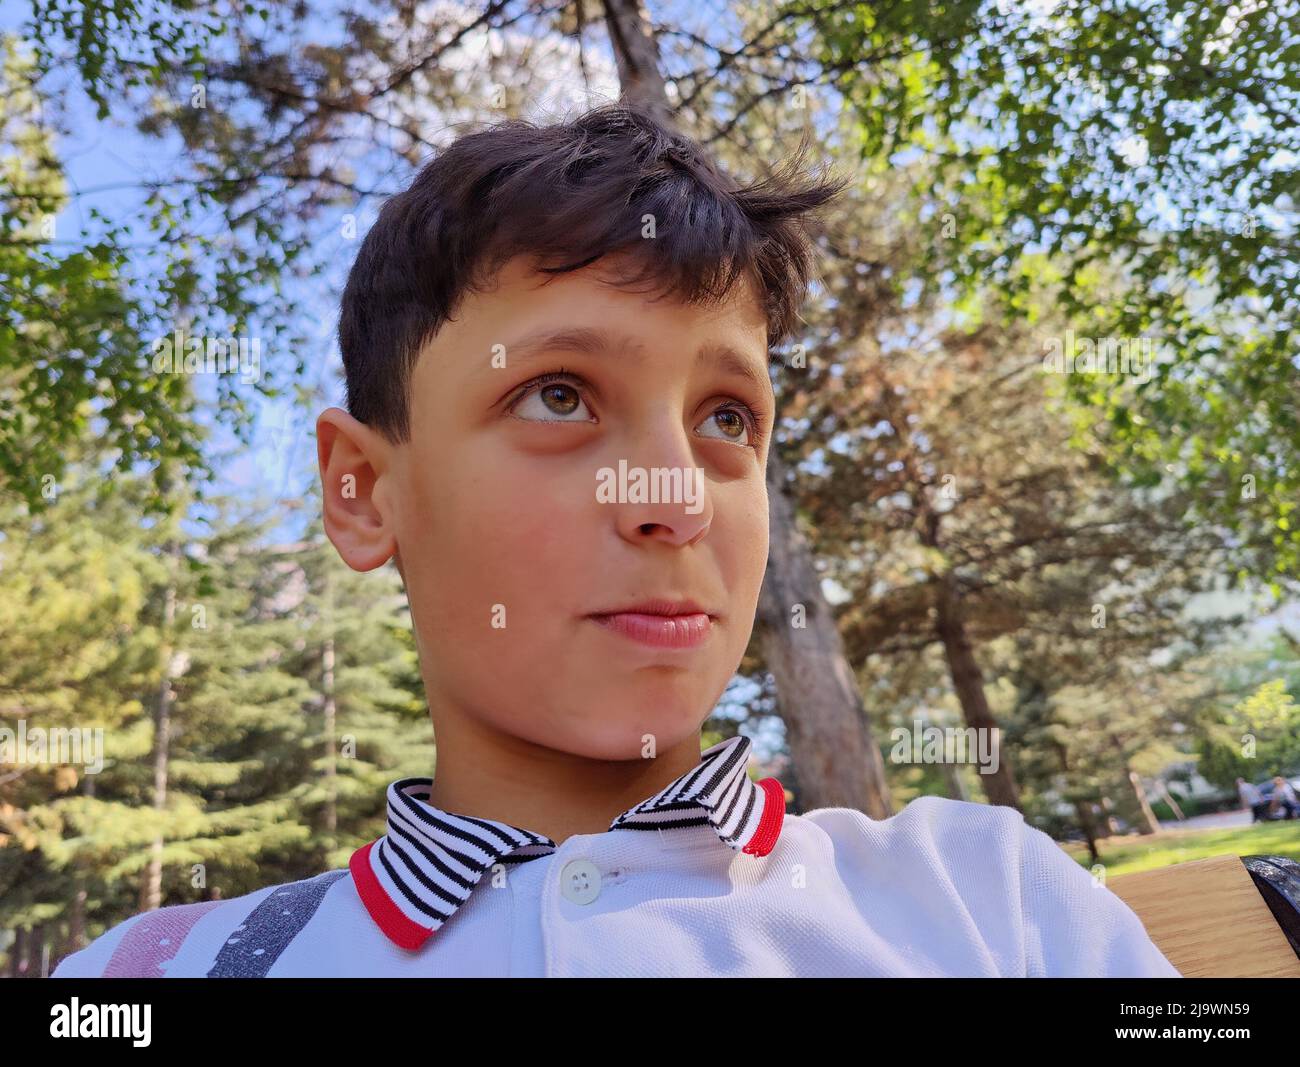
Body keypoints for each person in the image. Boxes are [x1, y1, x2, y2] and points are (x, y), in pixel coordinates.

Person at [51, 104, 1180, 979]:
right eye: (558, 396)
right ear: (361, 490)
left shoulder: (989, 898)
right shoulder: (153, 971)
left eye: (725, 418)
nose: (675, 496)